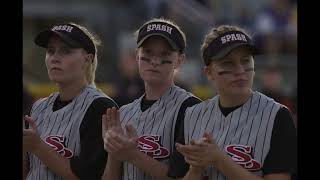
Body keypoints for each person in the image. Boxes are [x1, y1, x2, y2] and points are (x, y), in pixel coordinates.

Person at [168, 25, 297, 180]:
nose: (240, 70)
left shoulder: (278, 116)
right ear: (209, 73)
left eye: (246, 61)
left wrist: (219, 160)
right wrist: (196, 169)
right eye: (228, 63)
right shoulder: (191, 115)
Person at [101, 18, 202, 180]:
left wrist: (132, 154)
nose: (155, 61)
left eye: (165, 54)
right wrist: (114, 152)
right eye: (148, 52)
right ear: (137, 56)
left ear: (180, 60)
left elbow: (183, 178)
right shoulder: (125, 111)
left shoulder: (191, 108)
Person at [23, 22, 118, 180]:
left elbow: (90, 176)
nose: (54, 58)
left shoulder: (100, 107)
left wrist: (38, 146)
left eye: (65, 51)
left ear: (87, 60)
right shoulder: (38, 107)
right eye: (50, 51)